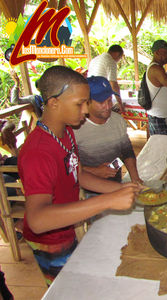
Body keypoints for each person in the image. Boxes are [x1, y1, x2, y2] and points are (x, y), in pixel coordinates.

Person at [18, 66, 140, 286]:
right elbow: (37, 220)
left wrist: (123, 189)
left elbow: (79, 175)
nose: (85, 110)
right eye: (80, 103)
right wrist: (109, 200)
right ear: (54, 103)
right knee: (66, 288)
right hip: (49, 239)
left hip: (65, 227)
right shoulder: (38, 152)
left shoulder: (66, 133)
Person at [73, 76, 141, 184]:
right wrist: (94, 171)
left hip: (115, 184)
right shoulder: (75, 127)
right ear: (87, 102)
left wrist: (135, 178)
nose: (108, 106)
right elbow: (66, 165)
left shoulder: (118, 121)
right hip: (88, 191)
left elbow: (127, 151)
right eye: (101, 102)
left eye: (109, 100)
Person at [88, 45, 125, 113]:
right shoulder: (110, 61)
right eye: (120, 58)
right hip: (100, 96)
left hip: (90, 95)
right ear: (118, 55)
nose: (118, 60)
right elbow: (113, 85)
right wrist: (120, 103)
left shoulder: (95, 59)